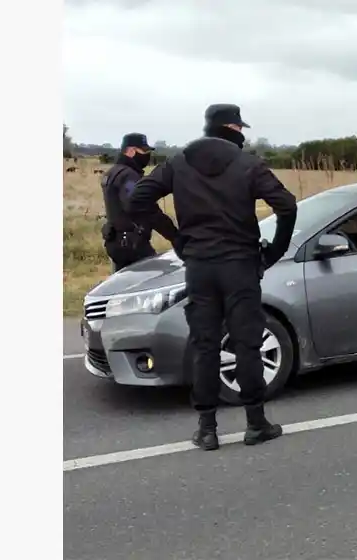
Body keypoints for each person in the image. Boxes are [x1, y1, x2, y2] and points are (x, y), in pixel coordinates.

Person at [127, 104, 298, 451]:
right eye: (241, 128)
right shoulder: (248, 164)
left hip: (200, 266)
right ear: (232, 128)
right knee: (246, 342)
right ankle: (256, 423)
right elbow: (288, 205)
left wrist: (177, 237)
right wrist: (274, 252)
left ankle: (207, 429)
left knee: (205, 344)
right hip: (240, 264)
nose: (244, 133)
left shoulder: (178, 163)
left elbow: (138, 199)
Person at [101, 133, 177, 271]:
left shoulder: (112, 173)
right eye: (144, 151)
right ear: (131, 151)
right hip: (132, 244)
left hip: (115, 241)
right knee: (156, 279)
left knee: (123, 282)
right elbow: (141, 206)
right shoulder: (129, 176)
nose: (147, 155)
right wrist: (174, 235)